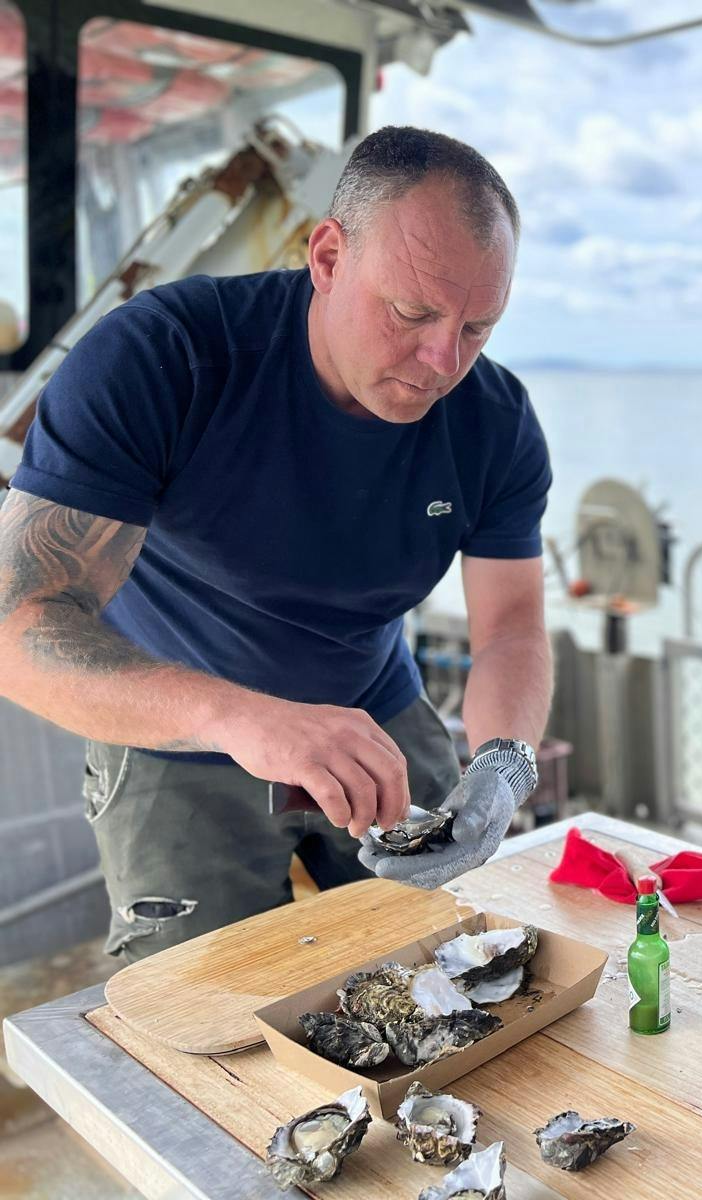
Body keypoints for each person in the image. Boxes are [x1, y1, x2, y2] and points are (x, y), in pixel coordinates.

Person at [0, 126, 552, 962]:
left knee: (453, 967)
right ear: (327, 257)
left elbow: (510, 627)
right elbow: (16, 626)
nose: (443, 361)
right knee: (206, 1003)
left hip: (375, 707)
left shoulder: (495, 422)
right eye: (412, 312)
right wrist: (239, 716)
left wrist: (504, 764)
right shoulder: (163, 358)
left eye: (478, 326)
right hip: (177, 727)